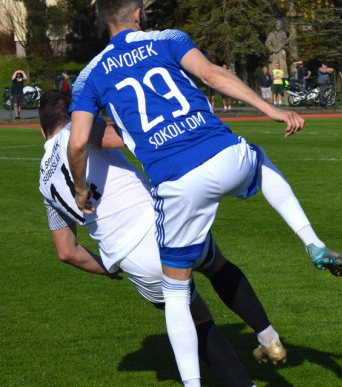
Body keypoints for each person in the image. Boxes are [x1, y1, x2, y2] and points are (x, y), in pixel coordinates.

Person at [67, 0, 342, 387]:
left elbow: (78, 141)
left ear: (103, 22)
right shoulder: (167, 39)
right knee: (260, 163)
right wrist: (270, 109)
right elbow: (214, 74)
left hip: (176, 182)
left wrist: (81, 190)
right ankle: (311, 241)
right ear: (137, 15)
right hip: (223, 153)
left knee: (178, 292)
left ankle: (192, 384)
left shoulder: (88, 76)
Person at [38, 90, 286, 387]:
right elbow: (126, 135)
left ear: (41, 130)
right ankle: (267, 336)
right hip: (163, 225)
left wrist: (111, 270)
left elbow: (67, 251)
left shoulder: (43, 181)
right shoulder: (78, 129)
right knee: (215, 264)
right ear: (73, 116)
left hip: (129, 255)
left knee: (196, 318)